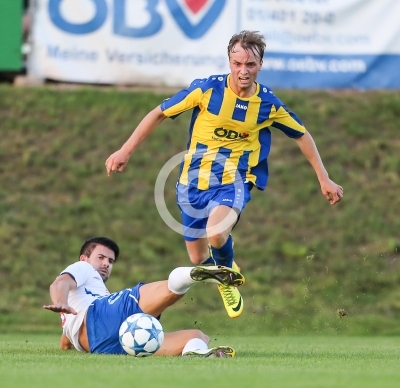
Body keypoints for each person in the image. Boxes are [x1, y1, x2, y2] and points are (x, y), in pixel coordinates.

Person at [105, 30, 344, 320]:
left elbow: (302, 134)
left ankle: (227, 278)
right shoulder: (207, 90)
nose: (243, 71)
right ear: (229, 62)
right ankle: (224, 273)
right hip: (192, 183)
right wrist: (125, 150)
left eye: (251, 65)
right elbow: (158, 113)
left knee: (216, 232)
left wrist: (323, 177)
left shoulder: (268, 104)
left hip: (235, 181)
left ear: (260, 65)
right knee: (197, 259)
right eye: (237, 63)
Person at [43, 237, 244, 357]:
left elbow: (67, 340)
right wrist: (59, 301)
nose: (106, 264)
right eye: (101, 257)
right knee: (161, 291)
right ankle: (192, 275)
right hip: (100, 316)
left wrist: (66, 341)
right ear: (84, 258)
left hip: (104, 345)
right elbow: (60, 283)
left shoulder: (84, 298)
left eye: (111, 261)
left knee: (198, 336)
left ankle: (196, 353)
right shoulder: (83, 268)